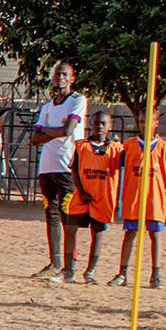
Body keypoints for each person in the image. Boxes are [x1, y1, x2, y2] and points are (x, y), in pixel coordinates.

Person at [31, 61, 88, 278]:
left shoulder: (78, 100)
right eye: (57, 74)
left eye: (64, 74)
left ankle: (69, 266)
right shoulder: (47, 106)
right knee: (51, 214)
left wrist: (47, 130)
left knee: (68, 216)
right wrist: (51, 131)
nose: (60, 78)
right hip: (47, 166)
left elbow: (68, 130)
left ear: (72, 78)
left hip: (68, 165)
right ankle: (54, 262)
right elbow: (35, 139)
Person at [110, 119, 166, 289]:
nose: (144, 125)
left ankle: (155, 274)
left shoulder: (164, 147)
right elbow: (120, 163)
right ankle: (122, 273)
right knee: (130, 233)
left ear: (156, 123)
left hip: (154, 197)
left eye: (148, 121)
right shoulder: (129, 145)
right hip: (134, 196)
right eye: (141, 121)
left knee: (155, 235)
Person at [67, 111, 119, 284]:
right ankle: (69, 269)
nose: (100, 126)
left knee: (97, 233)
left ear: (110, 127)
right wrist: (81, 190)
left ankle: (90, 271)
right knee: (70, 229)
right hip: (82, 195)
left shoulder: (116, 149)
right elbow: (74, 169)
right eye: (97, 123)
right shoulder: (81, 146)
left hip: (102, 198)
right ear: (91, 124)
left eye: (104, 124)